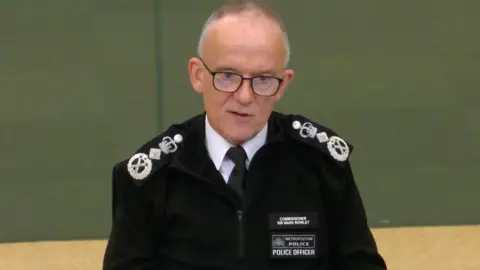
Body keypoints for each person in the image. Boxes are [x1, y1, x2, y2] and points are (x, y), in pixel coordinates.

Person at [102, 1, 387, 269]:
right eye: (227, 76)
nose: (245, 96)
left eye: (263, 79)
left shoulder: (321, 168)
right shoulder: (151, 182)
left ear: (283, 84)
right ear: (197, 75)